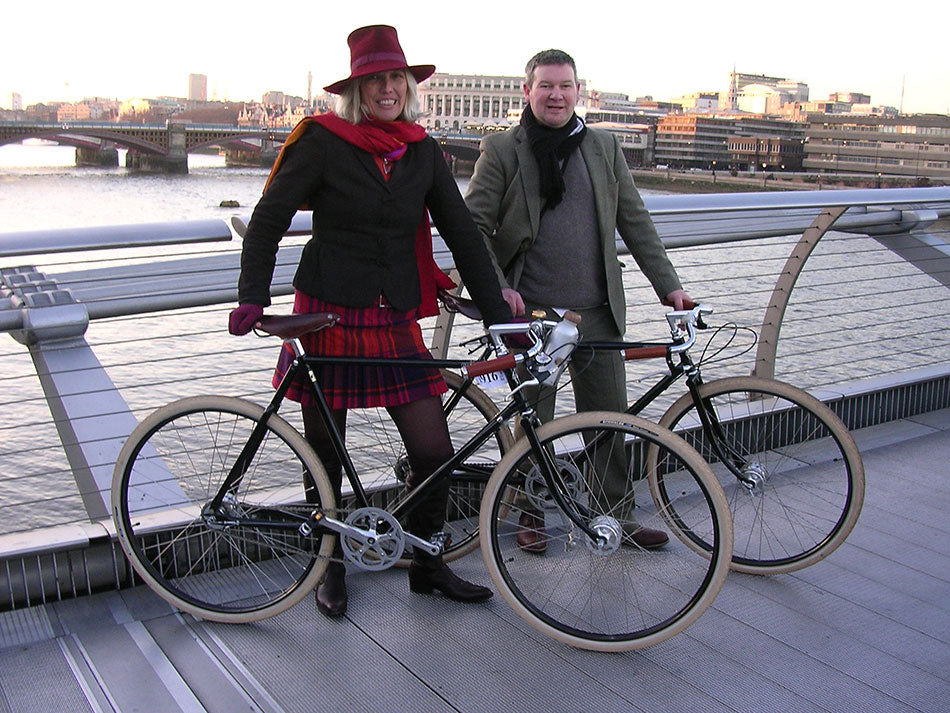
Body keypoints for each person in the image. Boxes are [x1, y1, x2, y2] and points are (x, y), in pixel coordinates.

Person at [228, 25, 515, 618]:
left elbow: (462, 233)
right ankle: (328, 565)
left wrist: (496, 315)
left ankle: (428, 562)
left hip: (393, 316)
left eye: (396, 78)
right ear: (355, 89)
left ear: (408, 86)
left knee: (433, 450)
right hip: (326, 312)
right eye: (375, 79)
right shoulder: (320, 140)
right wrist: (252, 296)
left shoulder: (423, 150)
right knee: (324, 452)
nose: (387, 89)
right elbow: (269, 217)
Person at [464, 49, 691, 552]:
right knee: (534, 422)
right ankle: (529, 512)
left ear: (578, 91)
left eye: (565, 86)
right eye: (545, 85)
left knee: (610, 418)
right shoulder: (502, 149)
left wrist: (669, 286)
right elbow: (473, 226)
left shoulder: (603, 146)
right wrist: (498, 289)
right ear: (527, 91)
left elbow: (635, 221)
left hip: (597, 311)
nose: (556, 95)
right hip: (534, 314)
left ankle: (616, 515)